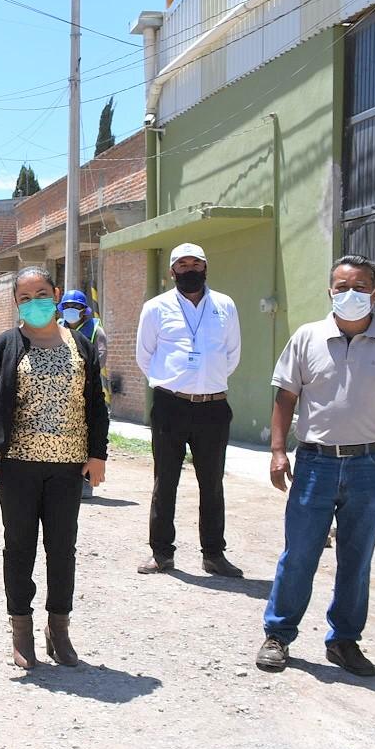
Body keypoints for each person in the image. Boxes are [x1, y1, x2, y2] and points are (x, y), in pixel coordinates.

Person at [255, 255, 375, 677]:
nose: (350, 294)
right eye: (341, 286)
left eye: (360, 287)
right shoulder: (307, 338)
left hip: (369, 464)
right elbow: (285, 397)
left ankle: (344, 641)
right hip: (316, 463)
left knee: (357, 557)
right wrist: (279, 451)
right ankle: (278, 635)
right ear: (330, 291)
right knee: (300, 553)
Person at [0, 267, 109, 669]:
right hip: (16, 467)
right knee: (19, 548)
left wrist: (97, 454)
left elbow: (96, 405)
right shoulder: (5, 345)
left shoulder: (81, 345)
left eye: (42, 294)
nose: (35, 303)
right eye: (26, 297)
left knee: (62, 549)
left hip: (67, 468)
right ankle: (22, 632)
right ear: (17, 303)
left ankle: (59, 631)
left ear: (57, 293)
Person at [134, 243, 243, 578]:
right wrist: (175, 382)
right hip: (171, 406)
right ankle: (161, 554)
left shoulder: (224, 305)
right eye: (183, 264)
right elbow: (145, 355)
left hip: (213, 407)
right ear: (172, 272)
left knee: (212, 483)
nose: (190, 269)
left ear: (206, 268)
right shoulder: (155, 308)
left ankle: (213, 554)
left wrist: (206, 380)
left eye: (196, 263)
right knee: (164, 481)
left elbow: (232, 353)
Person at [59, 289, 108, 500]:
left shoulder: (96, 329)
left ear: (84, 310)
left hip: (87, 389)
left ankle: (87, 483)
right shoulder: (56, 328)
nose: (71, 311)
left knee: (88, 436)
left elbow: (101, 356)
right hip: (61, 392)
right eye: (67, 307)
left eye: (76, 307)